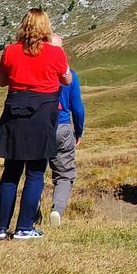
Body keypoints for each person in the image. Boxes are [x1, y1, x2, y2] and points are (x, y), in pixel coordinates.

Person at [0, 9, 73, 241]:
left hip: (14, 110)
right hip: (42, 113)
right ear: (46, 27)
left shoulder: (10, 51)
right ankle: (24, 227)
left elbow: (2, 81)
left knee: (11, 171)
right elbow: (67, 79)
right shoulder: (55, 53)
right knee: (36, 172)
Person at [45, 33, 83, 225]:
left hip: (39, 127)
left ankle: (31, 214)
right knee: (65, 173)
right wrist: (79, 131)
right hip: (63, 127)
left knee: (35, 173)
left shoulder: (39, 71)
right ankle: (57, 210)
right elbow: (77, 108)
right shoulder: (70, 75)